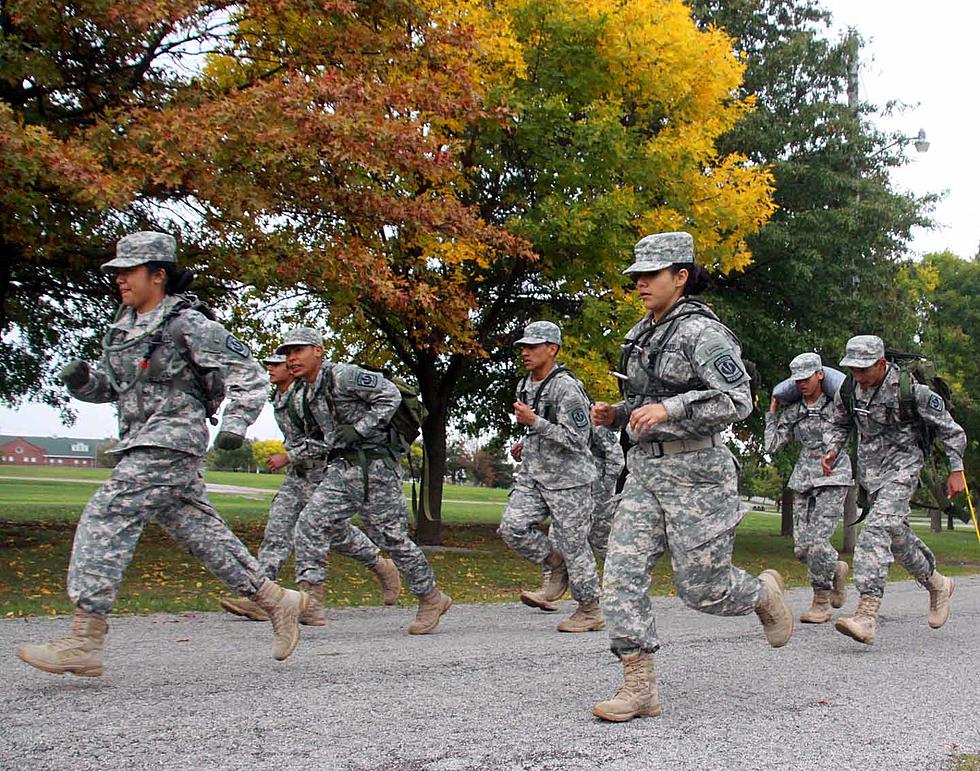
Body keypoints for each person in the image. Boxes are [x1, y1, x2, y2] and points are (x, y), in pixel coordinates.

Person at [15, 232, 306, 677]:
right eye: (117, 273)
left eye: (129, 272)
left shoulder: (188, 323)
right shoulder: (122, 328)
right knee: (200, 534)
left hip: (174, 436)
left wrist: (234, 426)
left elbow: (248, 373)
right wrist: (82, 383)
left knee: (109, 510)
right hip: (139, 438)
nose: (120, 281)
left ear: (158, 275)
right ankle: (275, 599)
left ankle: (85, 637)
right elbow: (116, 390)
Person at [590, 231, 793, 723]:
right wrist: (618, 415)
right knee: (619, 576)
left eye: (651, 274)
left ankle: (762, 593)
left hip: (697, 477)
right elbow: (647, 408)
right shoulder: (641, 334)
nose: (640, 283)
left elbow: (737, 400)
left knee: (702, 589)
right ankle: (639, 686)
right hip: (645, 472)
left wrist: (669, 406)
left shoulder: (703, 333)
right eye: (636, 275)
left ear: (681, 277)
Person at [281, 327, 452, 634]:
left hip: (376, 469)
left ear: (318, 351)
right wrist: (293, 454)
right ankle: (312, 602)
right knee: (310, 522)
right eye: (287, 353)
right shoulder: (307, 392)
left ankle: (431, 597)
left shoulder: (345, 376)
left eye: (299, 350)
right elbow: (329, 439)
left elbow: (390, 395)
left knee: (392, 539)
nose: (291, 358)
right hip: (342, 470)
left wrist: (360, 428)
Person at [219, 354, 400, 624]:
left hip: (323, 474)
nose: (270, 369)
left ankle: (379, 563)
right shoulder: (281, 399)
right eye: (269, 364)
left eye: (276, 364)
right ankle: (262, 595)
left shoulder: (310, 397)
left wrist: (288, 456)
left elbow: (328, 440)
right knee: (277, 530)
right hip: (297, 477)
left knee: (335, 532)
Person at [822, 335, 966, 645]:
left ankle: (866, 615)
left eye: (864, 369)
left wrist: (957, 470)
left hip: (904, 468)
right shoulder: (849, 390)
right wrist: (832, 449)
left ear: (882, 364)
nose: (858, 376)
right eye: (853, 369)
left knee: (876, 530)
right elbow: (837, 422)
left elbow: (951, 430)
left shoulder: (911, 391)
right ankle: (937, 584)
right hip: (871, 475)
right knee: (897, 537)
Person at [498, 321, 603, 633]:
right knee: (512, 528)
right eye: (523, 347)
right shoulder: (524, 385)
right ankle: (555, 565)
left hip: (570, 480)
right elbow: (534, 428)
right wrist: (525, 444)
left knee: (575, 545)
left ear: (552, 349)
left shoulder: (567, 388)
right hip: (535, 475)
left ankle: (590, 609)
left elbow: (579, 439)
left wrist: (536, 423)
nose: (526, 352)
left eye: (533, 346)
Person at [765, 353, 852, 624]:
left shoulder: (838, 406)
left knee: (816, 544)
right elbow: (772, 446)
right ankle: (835, 568)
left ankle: (821, 601)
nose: (802, 383)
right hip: (803, 478)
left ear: (820, 375)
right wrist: (772, 413)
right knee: (802, 549)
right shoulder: (795, 411)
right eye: (797, 380)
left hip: (833, 476)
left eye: (806, 378)